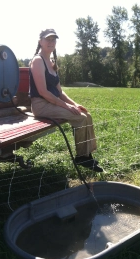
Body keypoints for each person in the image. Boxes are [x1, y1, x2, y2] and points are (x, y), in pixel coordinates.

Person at [29, 28, 104, 172]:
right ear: (40, 42)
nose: (51, 42)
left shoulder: (51, 62)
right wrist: (66, 107)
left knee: (86, 115)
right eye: (48, 39)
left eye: (53, 39)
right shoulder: (38, 61)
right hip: (41, 105)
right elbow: (43, 92)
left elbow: (59, 92)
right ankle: (81, 158)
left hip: (52, 102)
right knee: (80, 118)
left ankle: (87, 155)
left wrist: (75, 104)